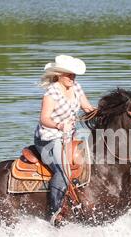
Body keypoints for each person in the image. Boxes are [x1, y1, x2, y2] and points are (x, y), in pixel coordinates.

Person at [34, 55, 96, 225]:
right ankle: (54, 213)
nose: (72, 78)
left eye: (74, 74)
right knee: (63, 172)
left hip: (69, 138)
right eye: (68, 74)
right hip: (48, 138)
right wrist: (60, 126)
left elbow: (87, 108)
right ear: (59, 75)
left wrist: (103, 113)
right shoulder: (51, 93)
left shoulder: (76, 87)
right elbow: (44, 119)